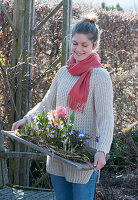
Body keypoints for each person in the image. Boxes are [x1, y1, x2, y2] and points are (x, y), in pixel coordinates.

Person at [12, 13, 114, 200]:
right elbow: (46, 103)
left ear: (94, 46)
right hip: (57, 153)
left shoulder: (100, 76)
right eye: (75, 43)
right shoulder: (63, 73)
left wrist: (102, 150)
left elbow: (105, 117)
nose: (78, 49)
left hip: (83, 157)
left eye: (85, 45)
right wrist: (27, 119)